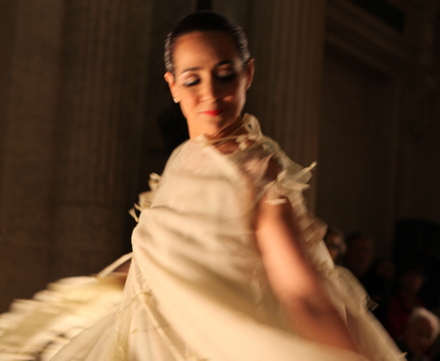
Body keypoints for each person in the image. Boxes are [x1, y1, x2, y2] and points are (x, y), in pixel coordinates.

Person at [45, 11, 405, 360]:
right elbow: (165, 263)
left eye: (225, 75)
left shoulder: (256, 167)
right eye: (192, 80)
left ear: (248, 73)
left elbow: (302, 292)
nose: (210, 93)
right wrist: (89, 296)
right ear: (172, 85)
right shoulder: (183, 158)